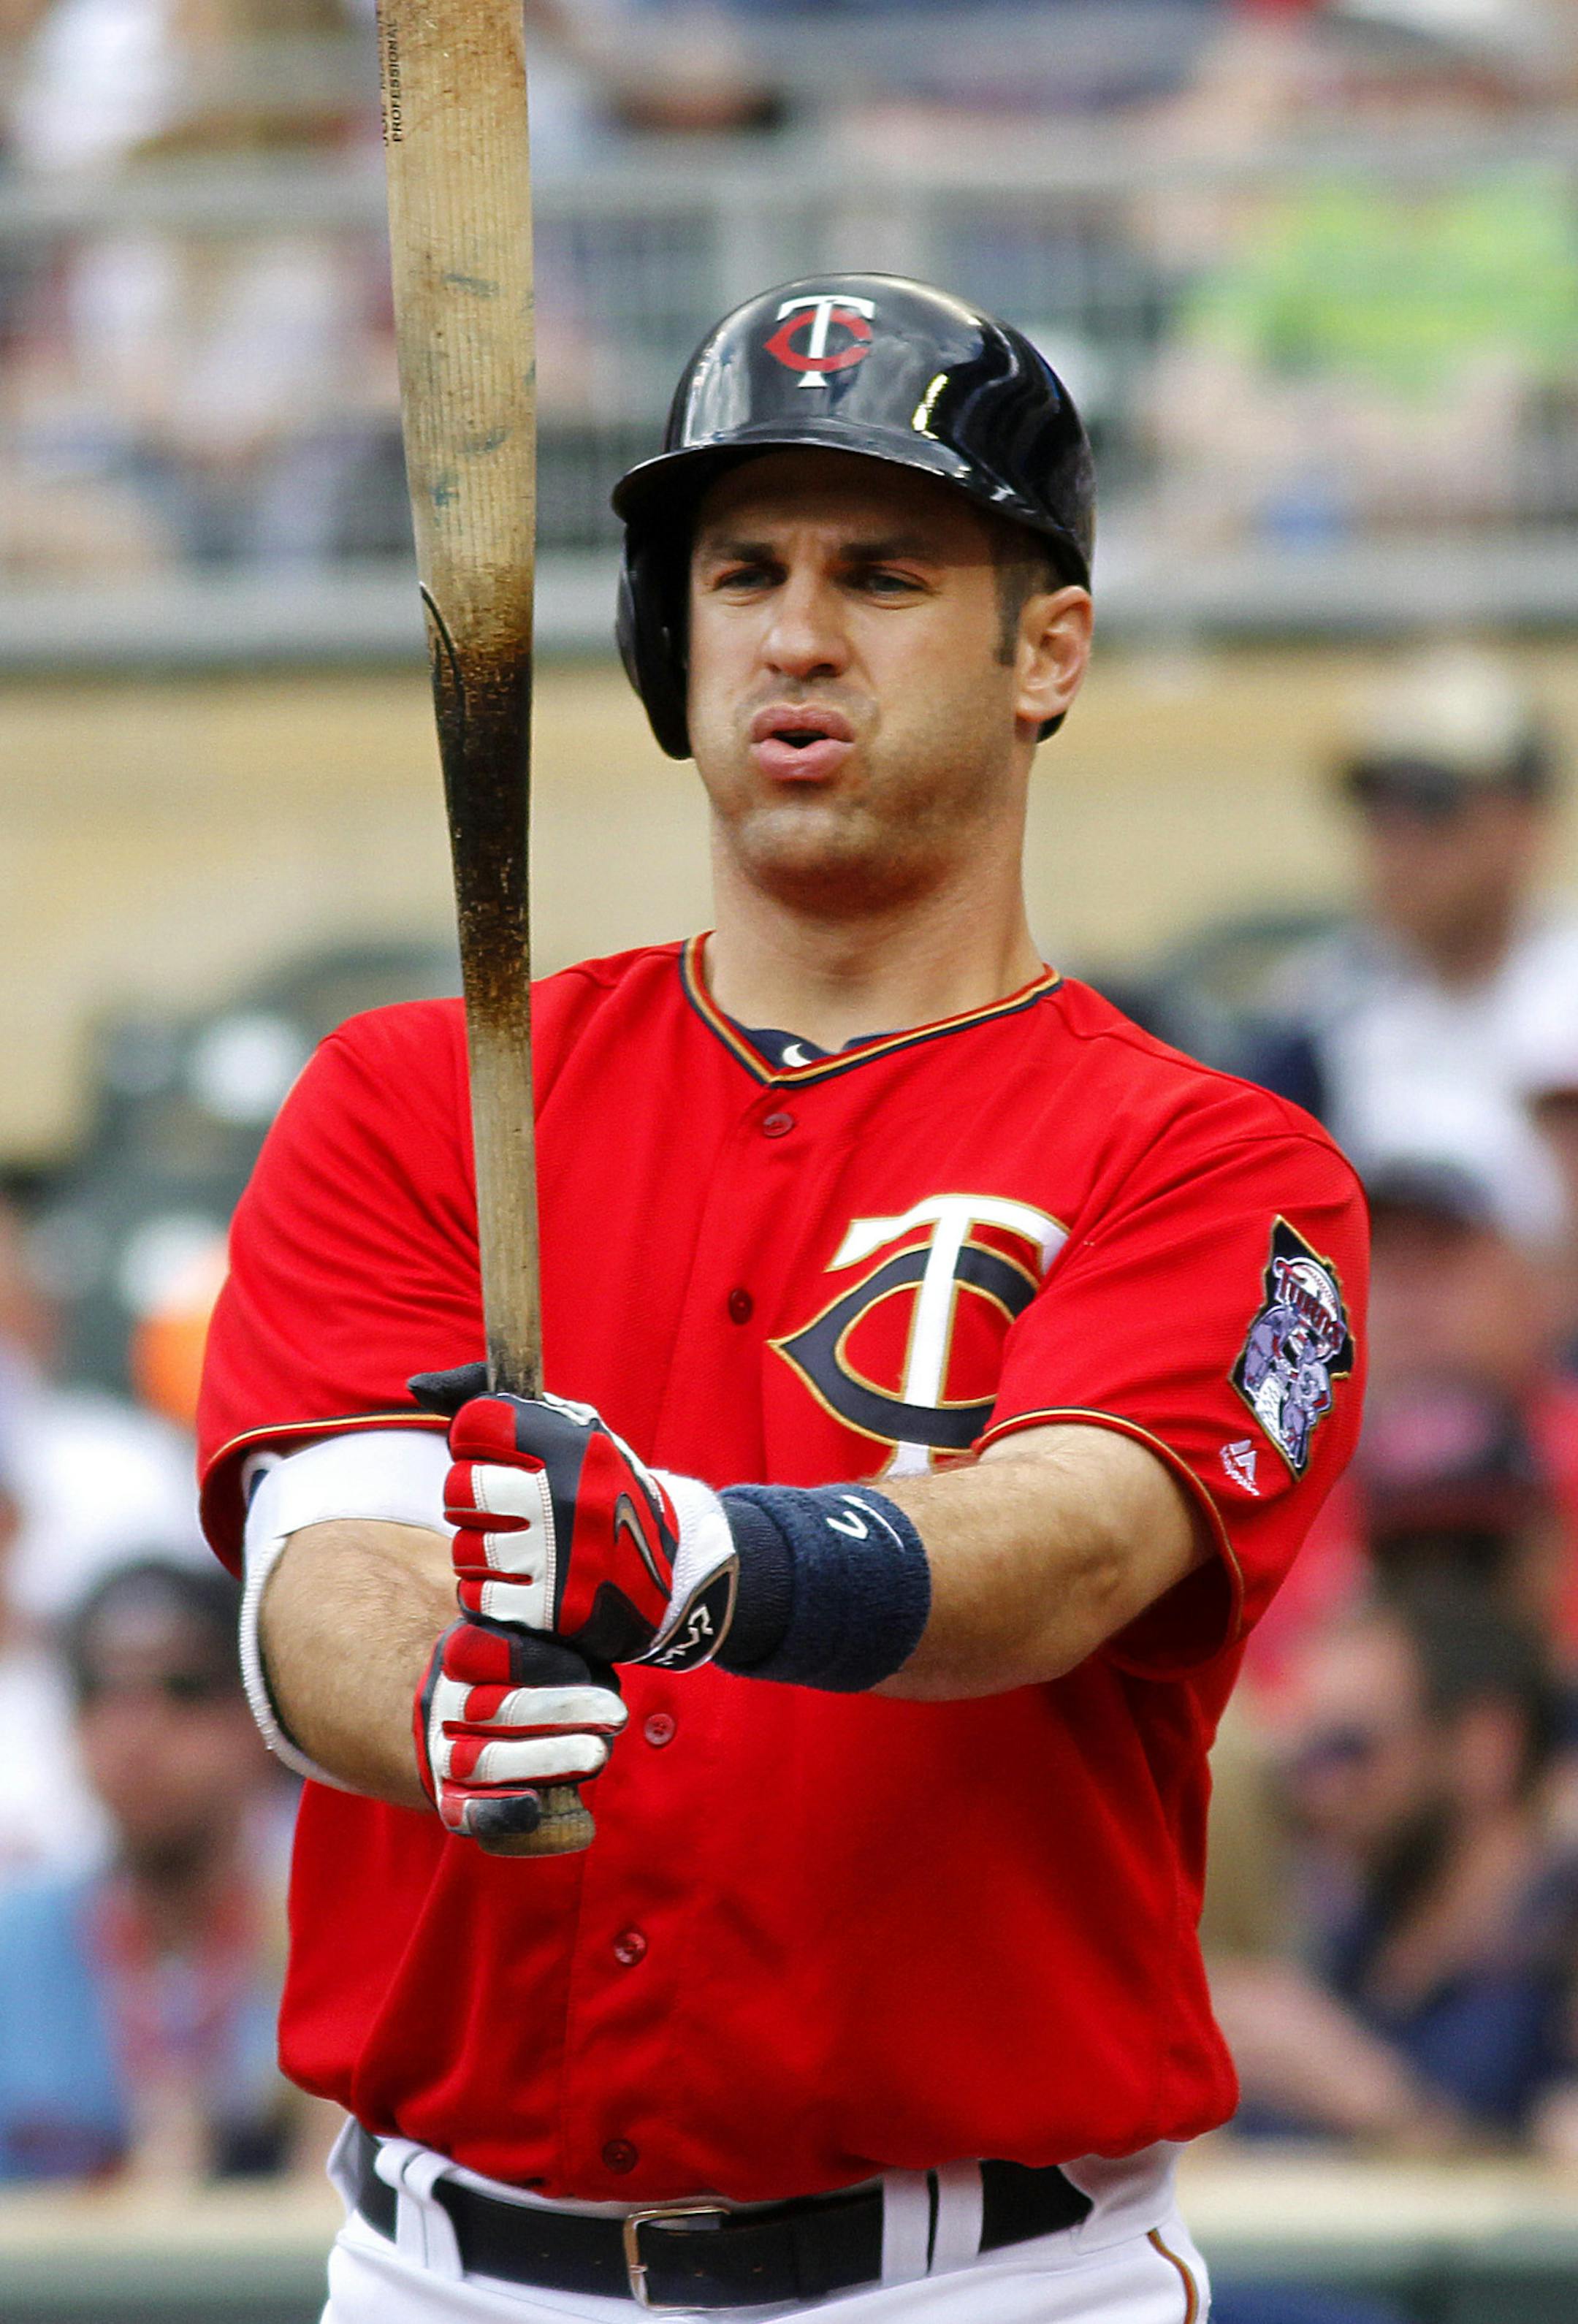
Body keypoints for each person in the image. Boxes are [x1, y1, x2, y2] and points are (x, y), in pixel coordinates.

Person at [197, 275, 1368, 2322]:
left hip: (980, 2278)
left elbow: (1073, 1542)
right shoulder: (424, 1091)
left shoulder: (1212, 1161)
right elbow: (320, 1571)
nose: (798, 630)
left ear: (1049, 650)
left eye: (887, 571)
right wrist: (437, 1704)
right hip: (456, 2272)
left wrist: (711, 1555)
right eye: (742, 568)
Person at [1213, 1583, 1578, 2158]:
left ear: (1487, 1746)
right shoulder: (1344, 1939)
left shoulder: (1554, 1958)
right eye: (1304, 1756)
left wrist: (1377, 2103)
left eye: (1351, 1748)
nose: (1317, 1791)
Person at [0, 1556, 308, 2183]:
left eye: (184, 1690)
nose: (135, 1730)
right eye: (101, 1692)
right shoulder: (15, 1944)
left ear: (261, 1718)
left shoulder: (330, 1936)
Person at [1259, 648, 1578, 1164]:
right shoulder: (1320, 1010)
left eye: (1433, 802)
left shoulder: (1566, 992)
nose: (1397, 840)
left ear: (1525, 822)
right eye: (1379, 806)